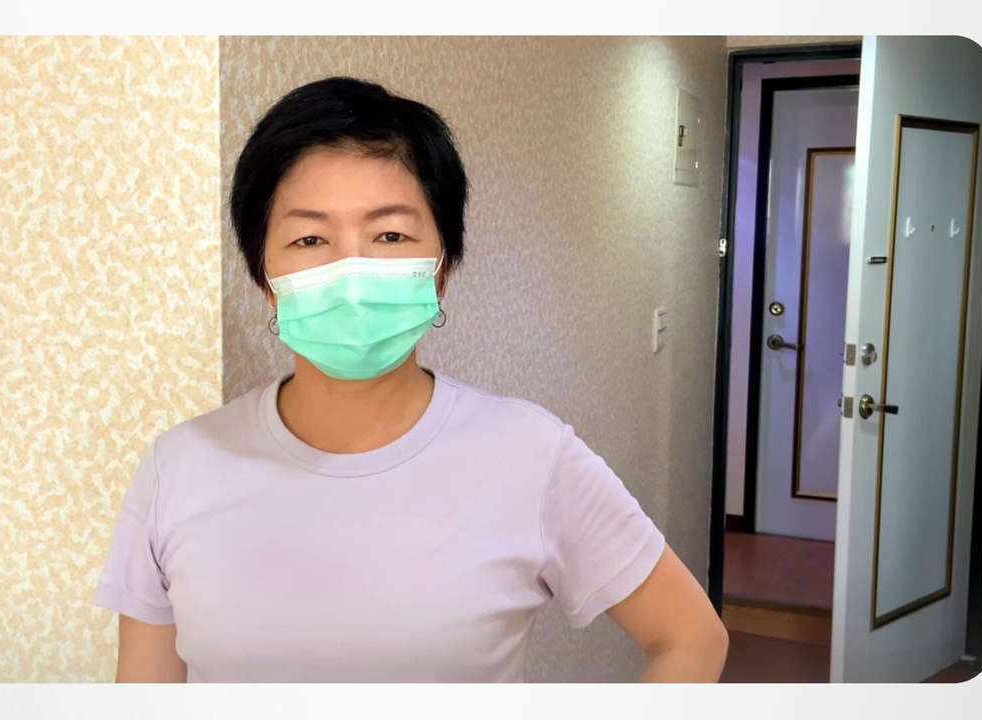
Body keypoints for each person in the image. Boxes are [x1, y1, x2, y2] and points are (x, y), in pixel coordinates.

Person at [93, 76, 729, 683]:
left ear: (442, 268)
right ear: (266, 279)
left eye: (390, 234)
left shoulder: (531, 456)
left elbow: (692, 638)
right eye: (309, 239)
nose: (351, 272)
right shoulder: (178, 468)